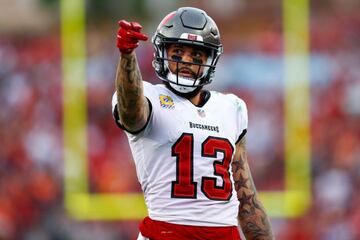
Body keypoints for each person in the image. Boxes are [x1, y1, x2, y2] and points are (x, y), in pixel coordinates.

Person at [112, 7, 274, 240]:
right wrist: (127, 57)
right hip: (167, 232)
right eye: (177, 52)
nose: (186, 61)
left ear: (210, 60)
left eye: (197, 56)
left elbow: (245, 196)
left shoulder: (231, 108)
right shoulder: (148, 96)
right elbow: (131, 113)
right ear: (163, 52)